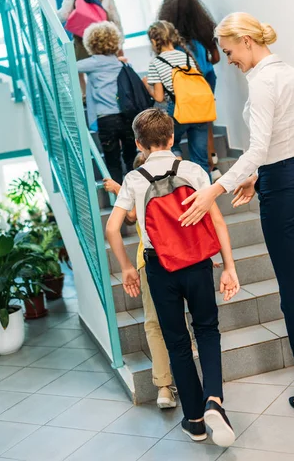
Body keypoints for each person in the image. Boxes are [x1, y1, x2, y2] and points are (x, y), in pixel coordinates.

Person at [179, 12, 294, 415]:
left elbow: (257, 147)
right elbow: (282, 138)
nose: (228, 59)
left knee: (291, 284)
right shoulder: (289, 71)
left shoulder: (262, 81)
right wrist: (254, 177)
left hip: (284, 183)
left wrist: (215, 188)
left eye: (230, 51)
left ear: (247, 40)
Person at [106, 108, 239, 446]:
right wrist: (229, 266)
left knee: (177, 342)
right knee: (207, 331)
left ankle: (194, 421)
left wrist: (125, 268)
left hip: (159, 268)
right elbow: (218, 222)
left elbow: (112, 228)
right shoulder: (193, 170)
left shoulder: (135, 179)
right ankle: (214, 402)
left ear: (138, 143)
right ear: (172, 138)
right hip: (196, 263)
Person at [103, 152, 200, 410]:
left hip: (150, 262)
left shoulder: (136, 182)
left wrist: (117, 189)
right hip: (182, 256)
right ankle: (182, 382)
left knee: (154, 324)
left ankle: (164, 386)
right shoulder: (180, 179)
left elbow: (128, 218)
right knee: (182, 322)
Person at [158, 0, 222, 181]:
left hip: (181, 96)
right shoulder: (202, 35)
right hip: (206, 82)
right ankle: (213, 161)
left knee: (173, 133)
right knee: (205, 118)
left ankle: (179, 170)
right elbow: (216, 58)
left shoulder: (171, 45)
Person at [144, 20, 210, 173]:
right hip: (197, 109)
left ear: (154, 41)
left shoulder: (156, 62)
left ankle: (182, 174)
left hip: (177, 111)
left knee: (169, 144)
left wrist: (147, 85)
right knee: (200, 160)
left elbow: (159, 98)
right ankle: (205, 193)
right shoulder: (186, 57)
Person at [77, 21, 135, 184]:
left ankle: (119, 200)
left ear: (90, 43)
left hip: (106, 119)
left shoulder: (92, 63)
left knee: (112, 162)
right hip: (126, 116)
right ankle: (136, 197)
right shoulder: (119, 62)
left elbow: (69, 66)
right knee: (130, 158)